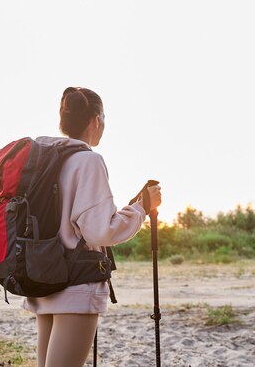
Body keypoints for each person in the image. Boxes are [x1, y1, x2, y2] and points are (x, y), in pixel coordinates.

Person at [22, 87, 162, 367]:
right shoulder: (88, 161)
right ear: (96, 120)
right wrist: (141, 209)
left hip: (43, 276)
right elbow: (100, 232)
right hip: (75, 283)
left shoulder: (45, 159)